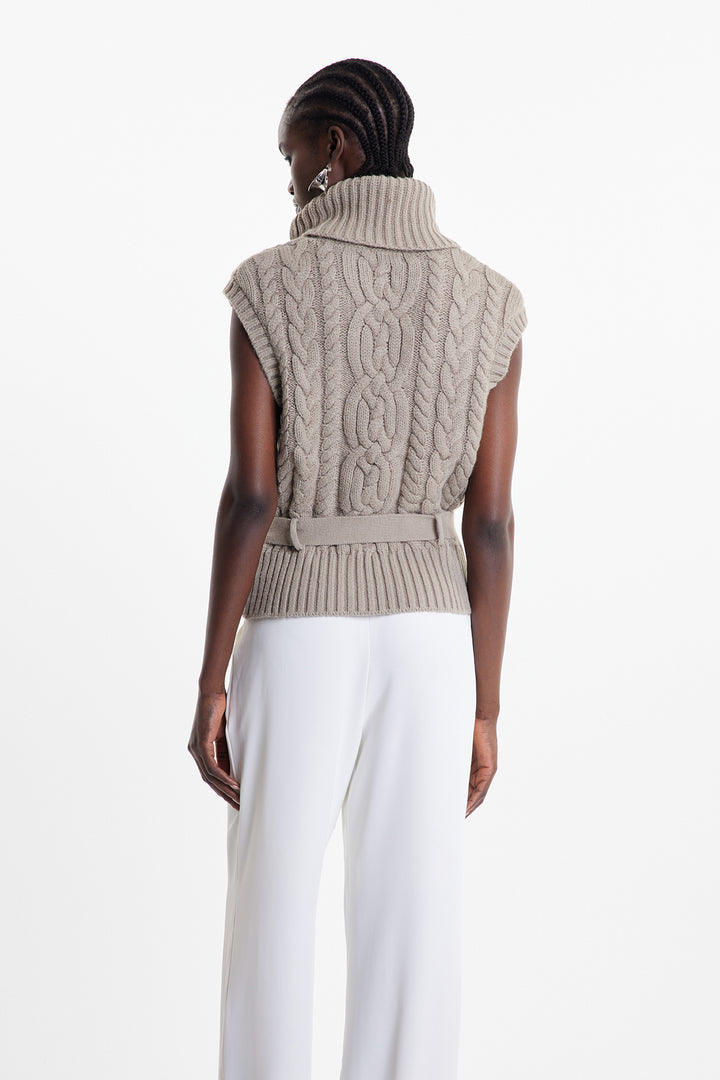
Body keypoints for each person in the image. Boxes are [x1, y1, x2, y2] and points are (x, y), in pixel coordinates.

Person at [188, 56, 527, 1080]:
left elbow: (252, 499)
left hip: (299, 628)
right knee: (412, 920)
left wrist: (211, 683)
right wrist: (486, 706)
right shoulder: (490, 300)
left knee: (271, 908)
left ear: (336, 148)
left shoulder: (270, 285)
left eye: (291, 155)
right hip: (434, 641)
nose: (288, 181)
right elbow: (492, 525)